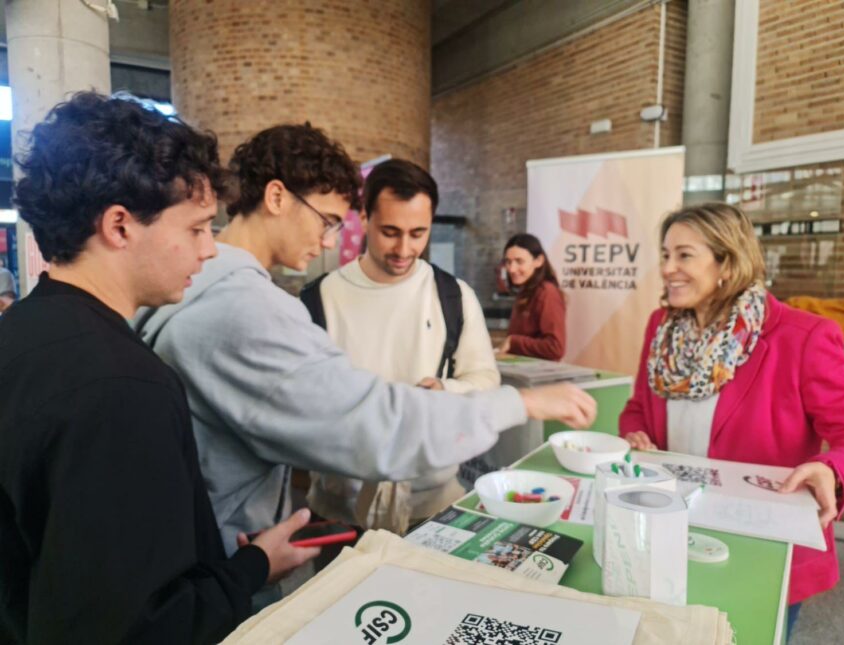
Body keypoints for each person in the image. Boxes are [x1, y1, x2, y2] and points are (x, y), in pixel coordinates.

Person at [133, 124, 596, 579]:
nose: (330, 241)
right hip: (230, 552)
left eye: (418, 233)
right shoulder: (251, 306)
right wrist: (522, 402)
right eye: (328, 221)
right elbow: (373, 427)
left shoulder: (192, 290)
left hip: (226, 546)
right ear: (276, 197)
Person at [0, 93, 318, 644]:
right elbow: (138, 627)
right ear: (120, 226)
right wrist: (252, 569)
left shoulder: (20, 332)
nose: (210, 250)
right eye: (196, 228)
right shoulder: (123, 388)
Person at [619, 203, 844, 636]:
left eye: (684, 255)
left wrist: (832, 470)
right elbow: (638, 405)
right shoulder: (661, 328)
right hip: (671, 529)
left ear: (727, 264)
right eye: (666, 254)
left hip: (761, 548)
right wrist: (635, 434)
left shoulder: (803, 337)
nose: (668, 268)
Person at [300, 158, 500, 536]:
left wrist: (445, 390)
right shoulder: (319, 299)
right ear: (365, 217)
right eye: (390, 232)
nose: (404, 248)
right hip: (339, 510)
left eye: (418, 233)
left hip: (433, 505)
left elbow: (486, 380)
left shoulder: (454, 296)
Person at [497, 233, 566, 360]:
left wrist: (513, 342)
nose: (511, 269)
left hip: (542, 371)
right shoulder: (525, 291)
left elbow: (555, 347)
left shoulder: (547, 292)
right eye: (508, 261)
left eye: (519, 261)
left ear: (538, 261)